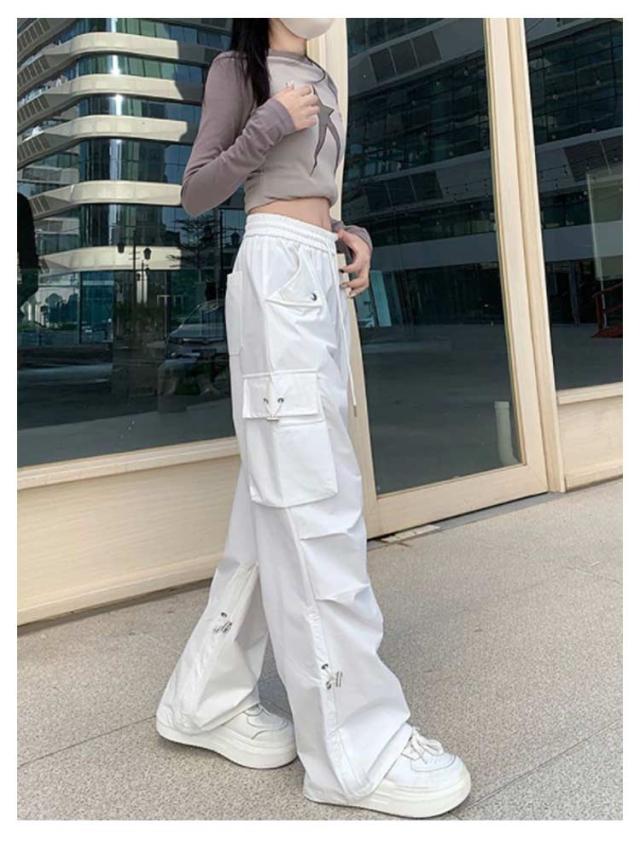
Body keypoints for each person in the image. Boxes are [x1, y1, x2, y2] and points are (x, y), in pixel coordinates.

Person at [155, 18, 471, 819]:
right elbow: (198, 192)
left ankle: (205, 698)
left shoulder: (325, 78)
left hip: (314, 276)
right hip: (273, 275)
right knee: (313, 503)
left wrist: (346, 232)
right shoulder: (239, 68)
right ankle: (354, 749)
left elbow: (305, 193)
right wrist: (267, 122)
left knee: (280, 499)